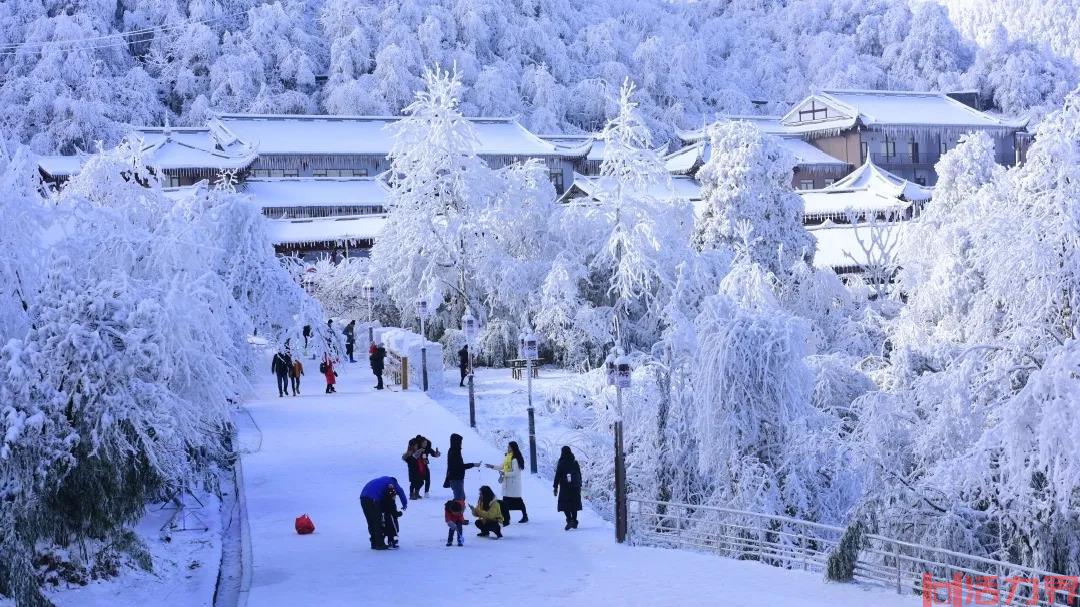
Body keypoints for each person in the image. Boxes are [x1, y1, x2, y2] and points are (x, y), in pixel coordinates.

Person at [360, 476, 407, 550]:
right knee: (377, 521)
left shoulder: (383, 480)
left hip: (363, 497)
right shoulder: (392, 482)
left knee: (371, 521)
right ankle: (379, 544)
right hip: (373, 499)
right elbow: (400, 491)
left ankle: (374, 542)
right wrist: (404, 504)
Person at [487, 441, 528, 524]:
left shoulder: (515, 459)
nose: (507, 448)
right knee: (508, 502)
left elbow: (515, 473)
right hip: (507, 483)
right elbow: (501, 467)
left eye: (509, 447)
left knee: (516, 501)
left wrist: (504, 474)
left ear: (513, 448)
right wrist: (492, 466)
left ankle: (511, 518)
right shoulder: (508, 457)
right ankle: (508, 518)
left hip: (513, 484)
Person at [443, 433, 479, 501]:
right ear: (456, 442)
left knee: (461, 498)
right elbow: (459, 467)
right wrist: (473, 464)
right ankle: (453, 511)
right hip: (455, 479)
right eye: (460, 441)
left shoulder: (455, 450)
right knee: (459, 499)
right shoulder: (454, 452)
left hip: (458, 478)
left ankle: (457, 511)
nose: (461, 443)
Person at [553, 446, 582, 530]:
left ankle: (569, 520)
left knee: (565, 504)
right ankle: (574, 521)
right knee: (574, 504)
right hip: (575, 487)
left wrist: (555, 487)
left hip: (565, 487)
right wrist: (580, 485)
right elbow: (579, 475)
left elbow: (557, 475)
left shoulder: (561, 462)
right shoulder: (574, 462)